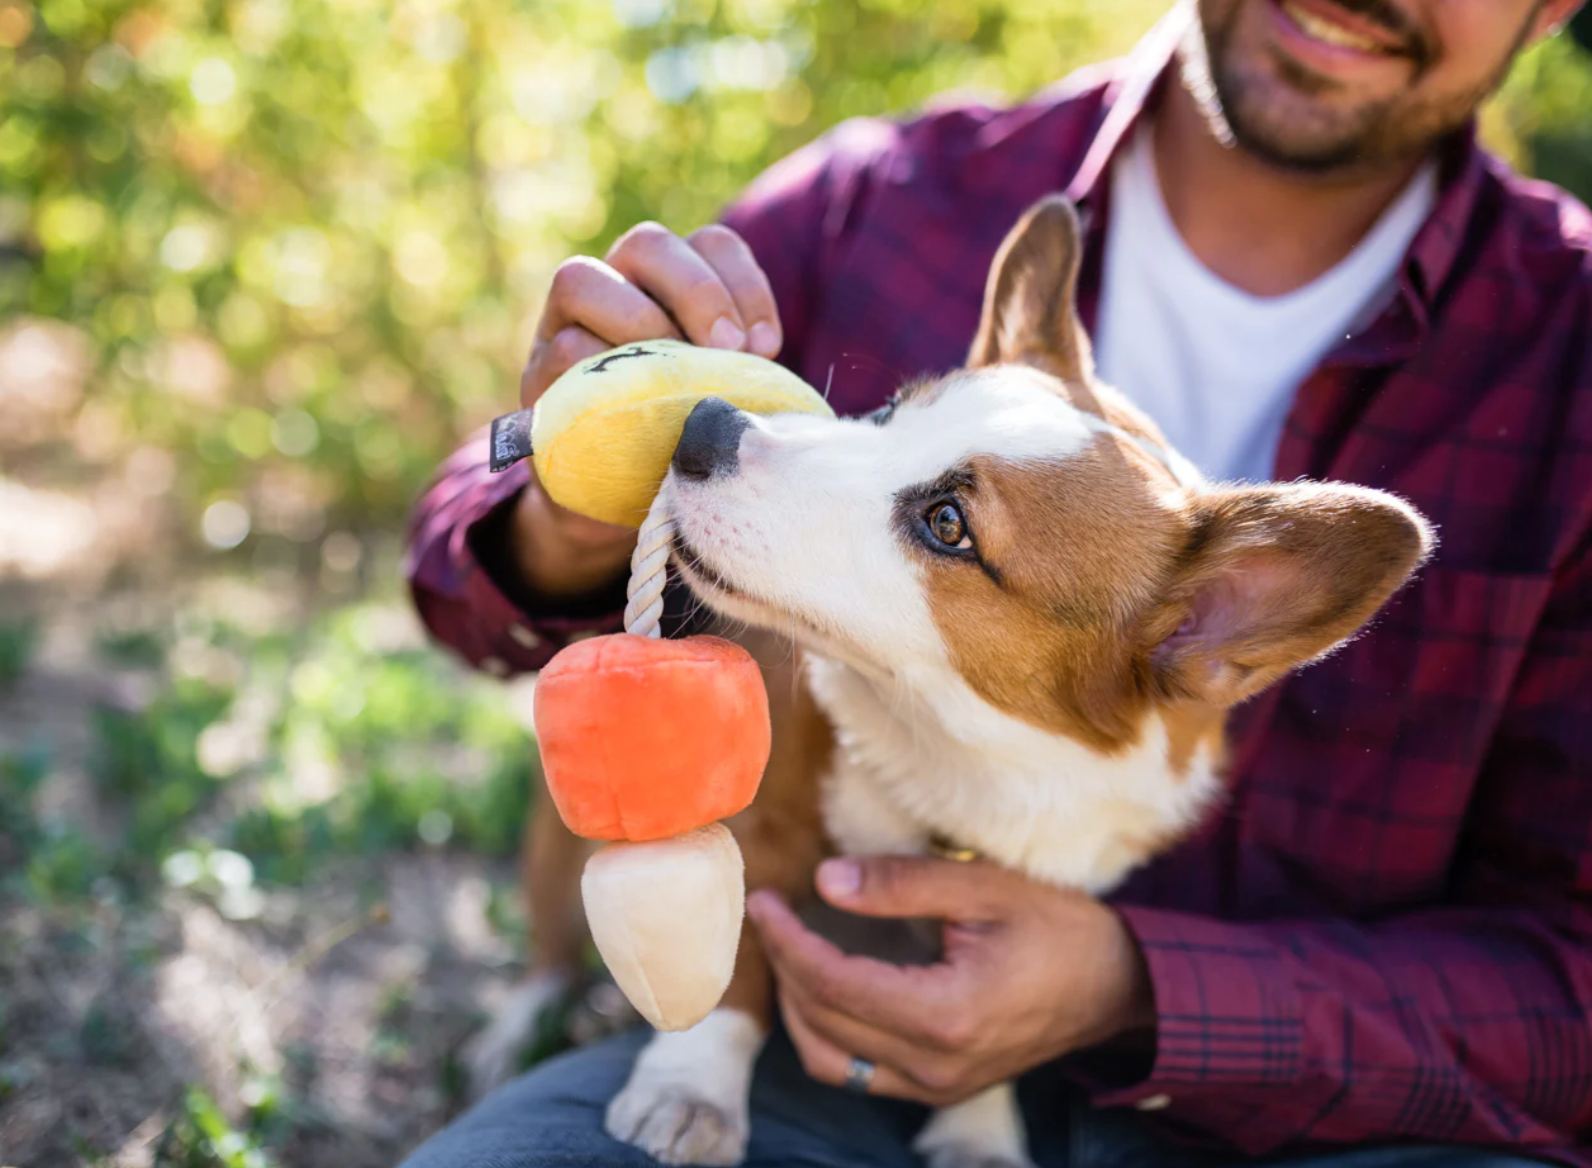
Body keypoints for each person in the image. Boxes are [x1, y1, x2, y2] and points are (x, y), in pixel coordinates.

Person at [400, 0, 1592, 1164]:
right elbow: (459, 562)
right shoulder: (885, 194)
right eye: (897, 419)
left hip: (1338, 1121)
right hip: (792, 1059)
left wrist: (1133, 987)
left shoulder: (1565, 353)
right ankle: (554, 980)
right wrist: (567, 495)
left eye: (946, 519)